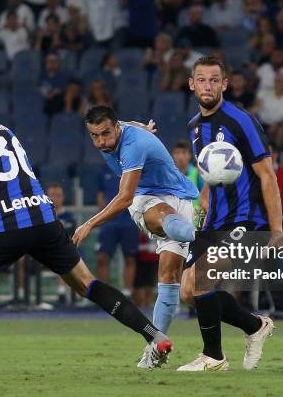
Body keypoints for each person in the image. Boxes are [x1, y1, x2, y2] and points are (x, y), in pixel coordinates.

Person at [0, 74, 173, 378]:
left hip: (6, 226)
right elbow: (12, 192)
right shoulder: (5, 131)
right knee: (89, 284)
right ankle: (155, 336)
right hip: (43, 220)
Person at [178, 56, 283, 372]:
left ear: (225, 84)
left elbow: (267, 175)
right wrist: (203, 202)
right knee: (188, 292)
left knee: (201, 278)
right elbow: (213, 176)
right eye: (201, 79)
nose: (207, 85)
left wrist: (276, 229)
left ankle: (213, 357)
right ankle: (254, 326)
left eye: (214, 80)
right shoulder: (194, 128)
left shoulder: (241, 121)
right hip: (214, 222)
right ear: (191, 84)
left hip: (248, 220)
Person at [74, 107, 198, 369]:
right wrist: (142, 125)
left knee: (172, 277)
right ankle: (155, 348)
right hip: (160, 198)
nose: (101, 142)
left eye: (105, 134)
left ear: (116, 128)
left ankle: (200, 233)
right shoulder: (117, 131)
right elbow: (127, 123)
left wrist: (89, 223)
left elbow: (125, 198)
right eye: (94, 136)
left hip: (169, 196)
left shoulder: (132, 147)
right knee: (167, 270)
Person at [95, 165, 139, 299]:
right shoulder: (105, 169)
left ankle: (127, 294)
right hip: (110, 221)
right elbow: (100, 194)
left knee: (130, 258)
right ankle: (104, 296)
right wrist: (103, 213)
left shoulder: (133, 166)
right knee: (102, 257)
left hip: (129, 220)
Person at [47, 183, 78, 306]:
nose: (55, 198)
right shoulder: (42, 215)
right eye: (52, 195)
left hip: (61, 251)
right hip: (42, 252)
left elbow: (72, 238)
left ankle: (63, 294)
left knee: (64, 254)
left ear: (63, 197)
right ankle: (22, 294)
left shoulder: (69, 217)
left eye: (58, 195)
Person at [256, 71, 283, 148]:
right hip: (263, 124)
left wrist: (278, 124)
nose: (279, 83)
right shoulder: (264, 95)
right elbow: (256, 110)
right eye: (277, 81)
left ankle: (276, 154)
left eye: (282, 81)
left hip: (281, 125)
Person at [133, 233, 159, 308]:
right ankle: (140, 304)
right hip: (140, 258)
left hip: (153, 258)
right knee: (138, 283)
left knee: (150, 282)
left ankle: (147, 303)